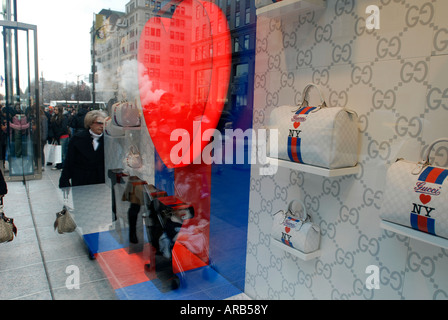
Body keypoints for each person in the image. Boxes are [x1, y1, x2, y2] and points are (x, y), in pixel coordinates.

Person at [59, 110, 107, 188]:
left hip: (100, 182)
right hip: (81, 182)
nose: (102, 126)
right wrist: (64, 181)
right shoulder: (77, 139)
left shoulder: (107, 140)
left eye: (104, 123)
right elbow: (69, 161)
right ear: (90, 123)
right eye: (99, 123)